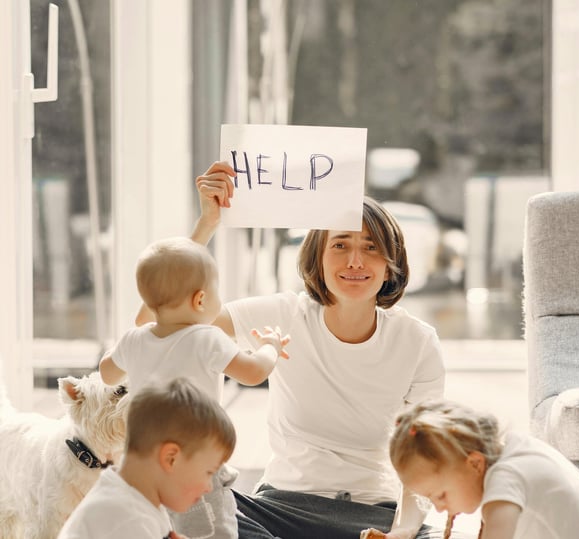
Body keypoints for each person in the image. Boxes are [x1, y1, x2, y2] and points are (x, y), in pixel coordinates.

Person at [188, 161, 455, 539]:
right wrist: (208, 224)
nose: (355, 261)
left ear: (390, 264)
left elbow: (425, 459)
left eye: (371, 248)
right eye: (340, 244)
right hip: (278, 511)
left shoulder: (418, 342)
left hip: (374, 517)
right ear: (317, 255)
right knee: (188, 504)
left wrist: (403, 532)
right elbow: (167, 323)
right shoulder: (285, 313)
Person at [98, 236, 290, 539]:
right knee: (211, 530)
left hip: (143, 463)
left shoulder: (133, 340)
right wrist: (271, 347)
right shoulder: (206, 338)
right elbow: (253, 373)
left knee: (155, 528)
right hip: (194, 462)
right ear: (201, 300)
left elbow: (107, 374)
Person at [386, 398, 579, 539]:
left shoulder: (505, 482)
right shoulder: (518, 448)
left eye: (440, 495)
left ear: (475, 463)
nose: (439, 507)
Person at [58, 377, 237, 539]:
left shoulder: (133, 499)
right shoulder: (129, 521)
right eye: (209, 472)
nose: (208, 487)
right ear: (170, 458)